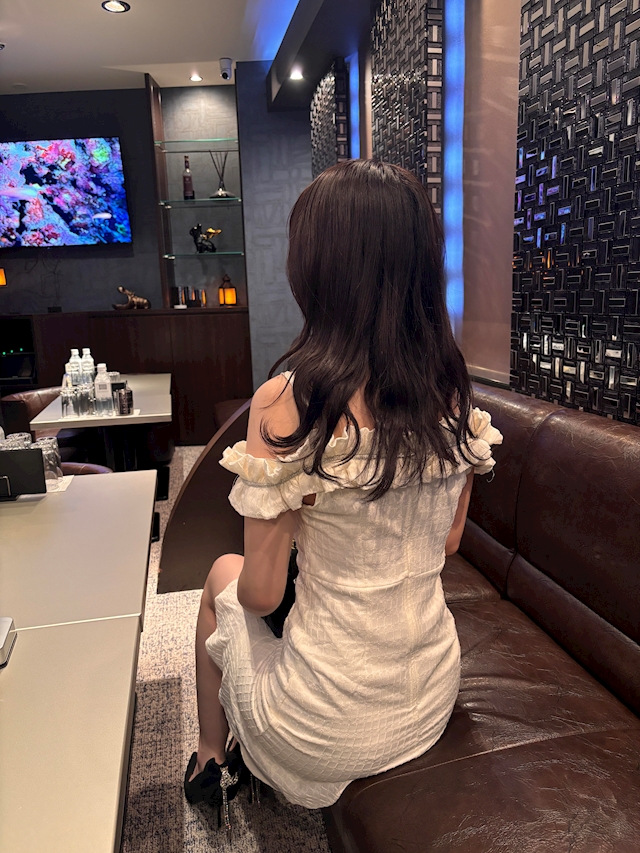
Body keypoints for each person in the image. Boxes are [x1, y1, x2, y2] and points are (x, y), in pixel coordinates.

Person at [184, 159, 503, 818]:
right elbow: (446, 543)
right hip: (429, 697)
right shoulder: (453, 394)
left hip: (321, 726)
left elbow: (262, 593)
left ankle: (211, 756)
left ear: (316, 270)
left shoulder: (287, 401)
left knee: (222, 575)